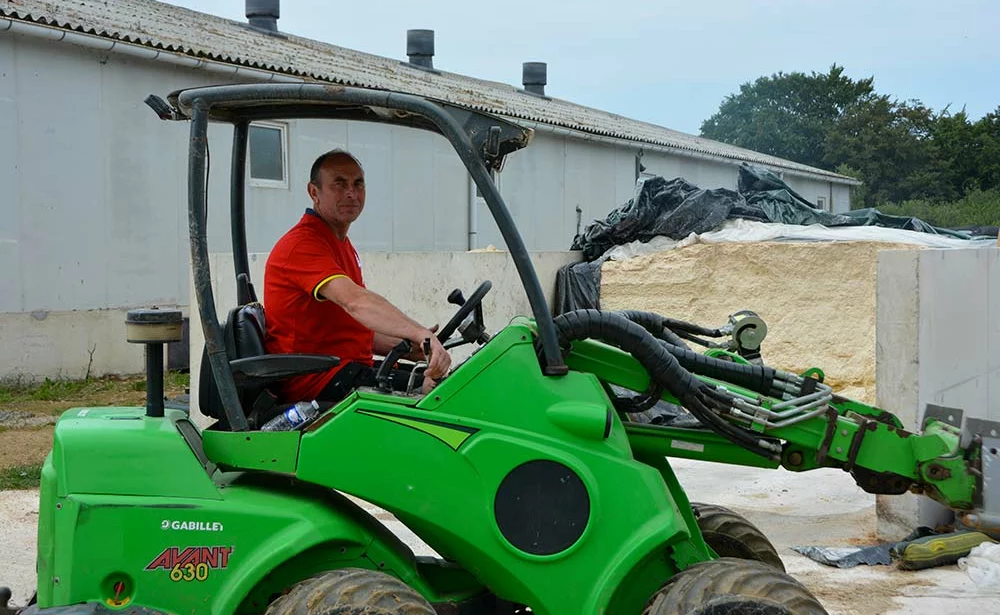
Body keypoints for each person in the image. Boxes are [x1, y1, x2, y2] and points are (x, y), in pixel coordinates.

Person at [263, 149, 451, 404]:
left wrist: (409, 347)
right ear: (314, 192)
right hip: (315, 382)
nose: (351, 193)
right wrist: (420, 333)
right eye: (339, 184)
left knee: (450, 384)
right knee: (437, 399)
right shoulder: (302, 245)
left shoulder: (340, 244)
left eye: (357, 184)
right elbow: (356, 302)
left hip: (342, 370)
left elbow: (354, 331)